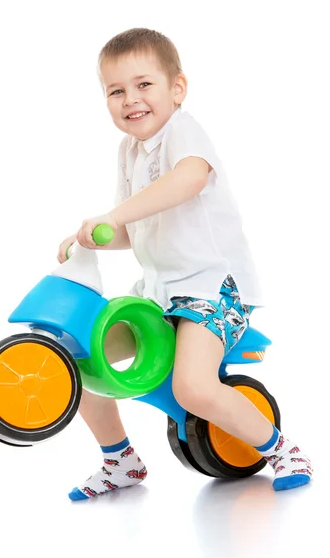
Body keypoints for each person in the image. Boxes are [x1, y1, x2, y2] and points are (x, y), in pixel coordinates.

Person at [57, 28, 312, 501]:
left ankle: (281, 449)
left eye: (143, 84)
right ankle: (120, 460)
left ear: (177, 88)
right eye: (116, 91)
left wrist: (113, 216)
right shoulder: (128, 151)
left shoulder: (184, 130)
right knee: (79, 363)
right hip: (159, 291)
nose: (130, 99)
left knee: (194, 387)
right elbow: (132, 230)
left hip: (213, 289)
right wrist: (90, 237)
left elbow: (189, 179)